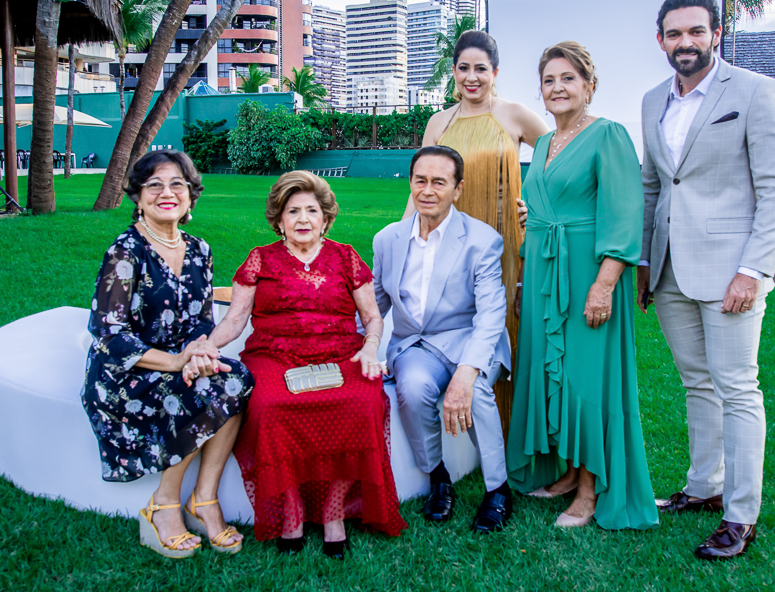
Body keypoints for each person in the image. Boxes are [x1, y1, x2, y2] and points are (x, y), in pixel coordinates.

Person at [637, 0, 775, 560]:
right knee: (696, 383)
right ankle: (704, 486)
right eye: (674, 34)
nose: (686, 42)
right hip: (670, 270)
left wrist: (753, 270)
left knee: (738, 387)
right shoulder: (653, 99)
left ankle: (740, 515)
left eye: (696, 32)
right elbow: (654, 187)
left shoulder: (755, 91)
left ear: (716, 33)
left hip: (733, 270)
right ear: (661, 40)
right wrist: (641, 262)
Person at [208, 171, 405, 558]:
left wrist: (370, 348)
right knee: (267, 406)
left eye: (311, 211)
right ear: (278, 220)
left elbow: (373, 317)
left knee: (363, 405)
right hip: (274, 355)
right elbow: (234, 320)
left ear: (325, 218)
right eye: (292, 211)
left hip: (340, 353)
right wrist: (207, 346)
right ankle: (293, 511)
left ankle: (333, 512)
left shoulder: (346, 256)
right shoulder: (259, 259)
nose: (302, 219)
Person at [506, 42, 658, 531]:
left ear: (589, 86)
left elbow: (624, 213)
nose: (558, 88)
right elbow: (540, 213)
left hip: (589, 274)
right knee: (557, 378)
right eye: (549, 80)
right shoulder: (545, 145)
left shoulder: (608, 135)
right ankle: (570, 471)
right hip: (547, 277)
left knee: (588, 381)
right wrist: (528, 275)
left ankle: (592, 491)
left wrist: (605, 285)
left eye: (568, 78)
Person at [81, 150, 254, 559]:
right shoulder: (126, 252)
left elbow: (199, 319)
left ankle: (205, 497)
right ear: (138, 197)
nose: (167, 192)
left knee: (239, 378)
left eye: (177, 184)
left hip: (178, 362)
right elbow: (110, 336)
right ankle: (164, 503)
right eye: (154, 185)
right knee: (203, 391)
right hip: (125, 378)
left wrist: (199, 351)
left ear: (191, 196)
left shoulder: (199, 250)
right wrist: (178, 362)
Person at [413, 31, 550, 426]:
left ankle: (514, 428)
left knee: (507, 321)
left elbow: (560, 158)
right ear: (453, 72)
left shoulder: (514, 114)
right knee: (459, 320)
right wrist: (405, 240)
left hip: (505, 241)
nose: (471, 77)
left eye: (481, 69)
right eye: (463, 68)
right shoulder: (439, 122)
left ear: (495, 72)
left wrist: (538, 207)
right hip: (449, 240)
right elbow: (420, 186)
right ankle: (468, 422)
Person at [374, 146, 513, 533]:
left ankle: (498, 489)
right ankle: (438, 477)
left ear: (458, 188)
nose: (428, 190)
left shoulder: (481, 240)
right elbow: (373, 305)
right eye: (421, 180)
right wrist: (359, 347)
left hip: (469, 338)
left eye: (439, 181)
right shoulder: (387, 239)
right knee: (413, 388)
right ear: (411, 183)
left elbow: (489, 316)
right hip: (417, 345)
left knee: (478, 393)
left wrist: (466, 376)